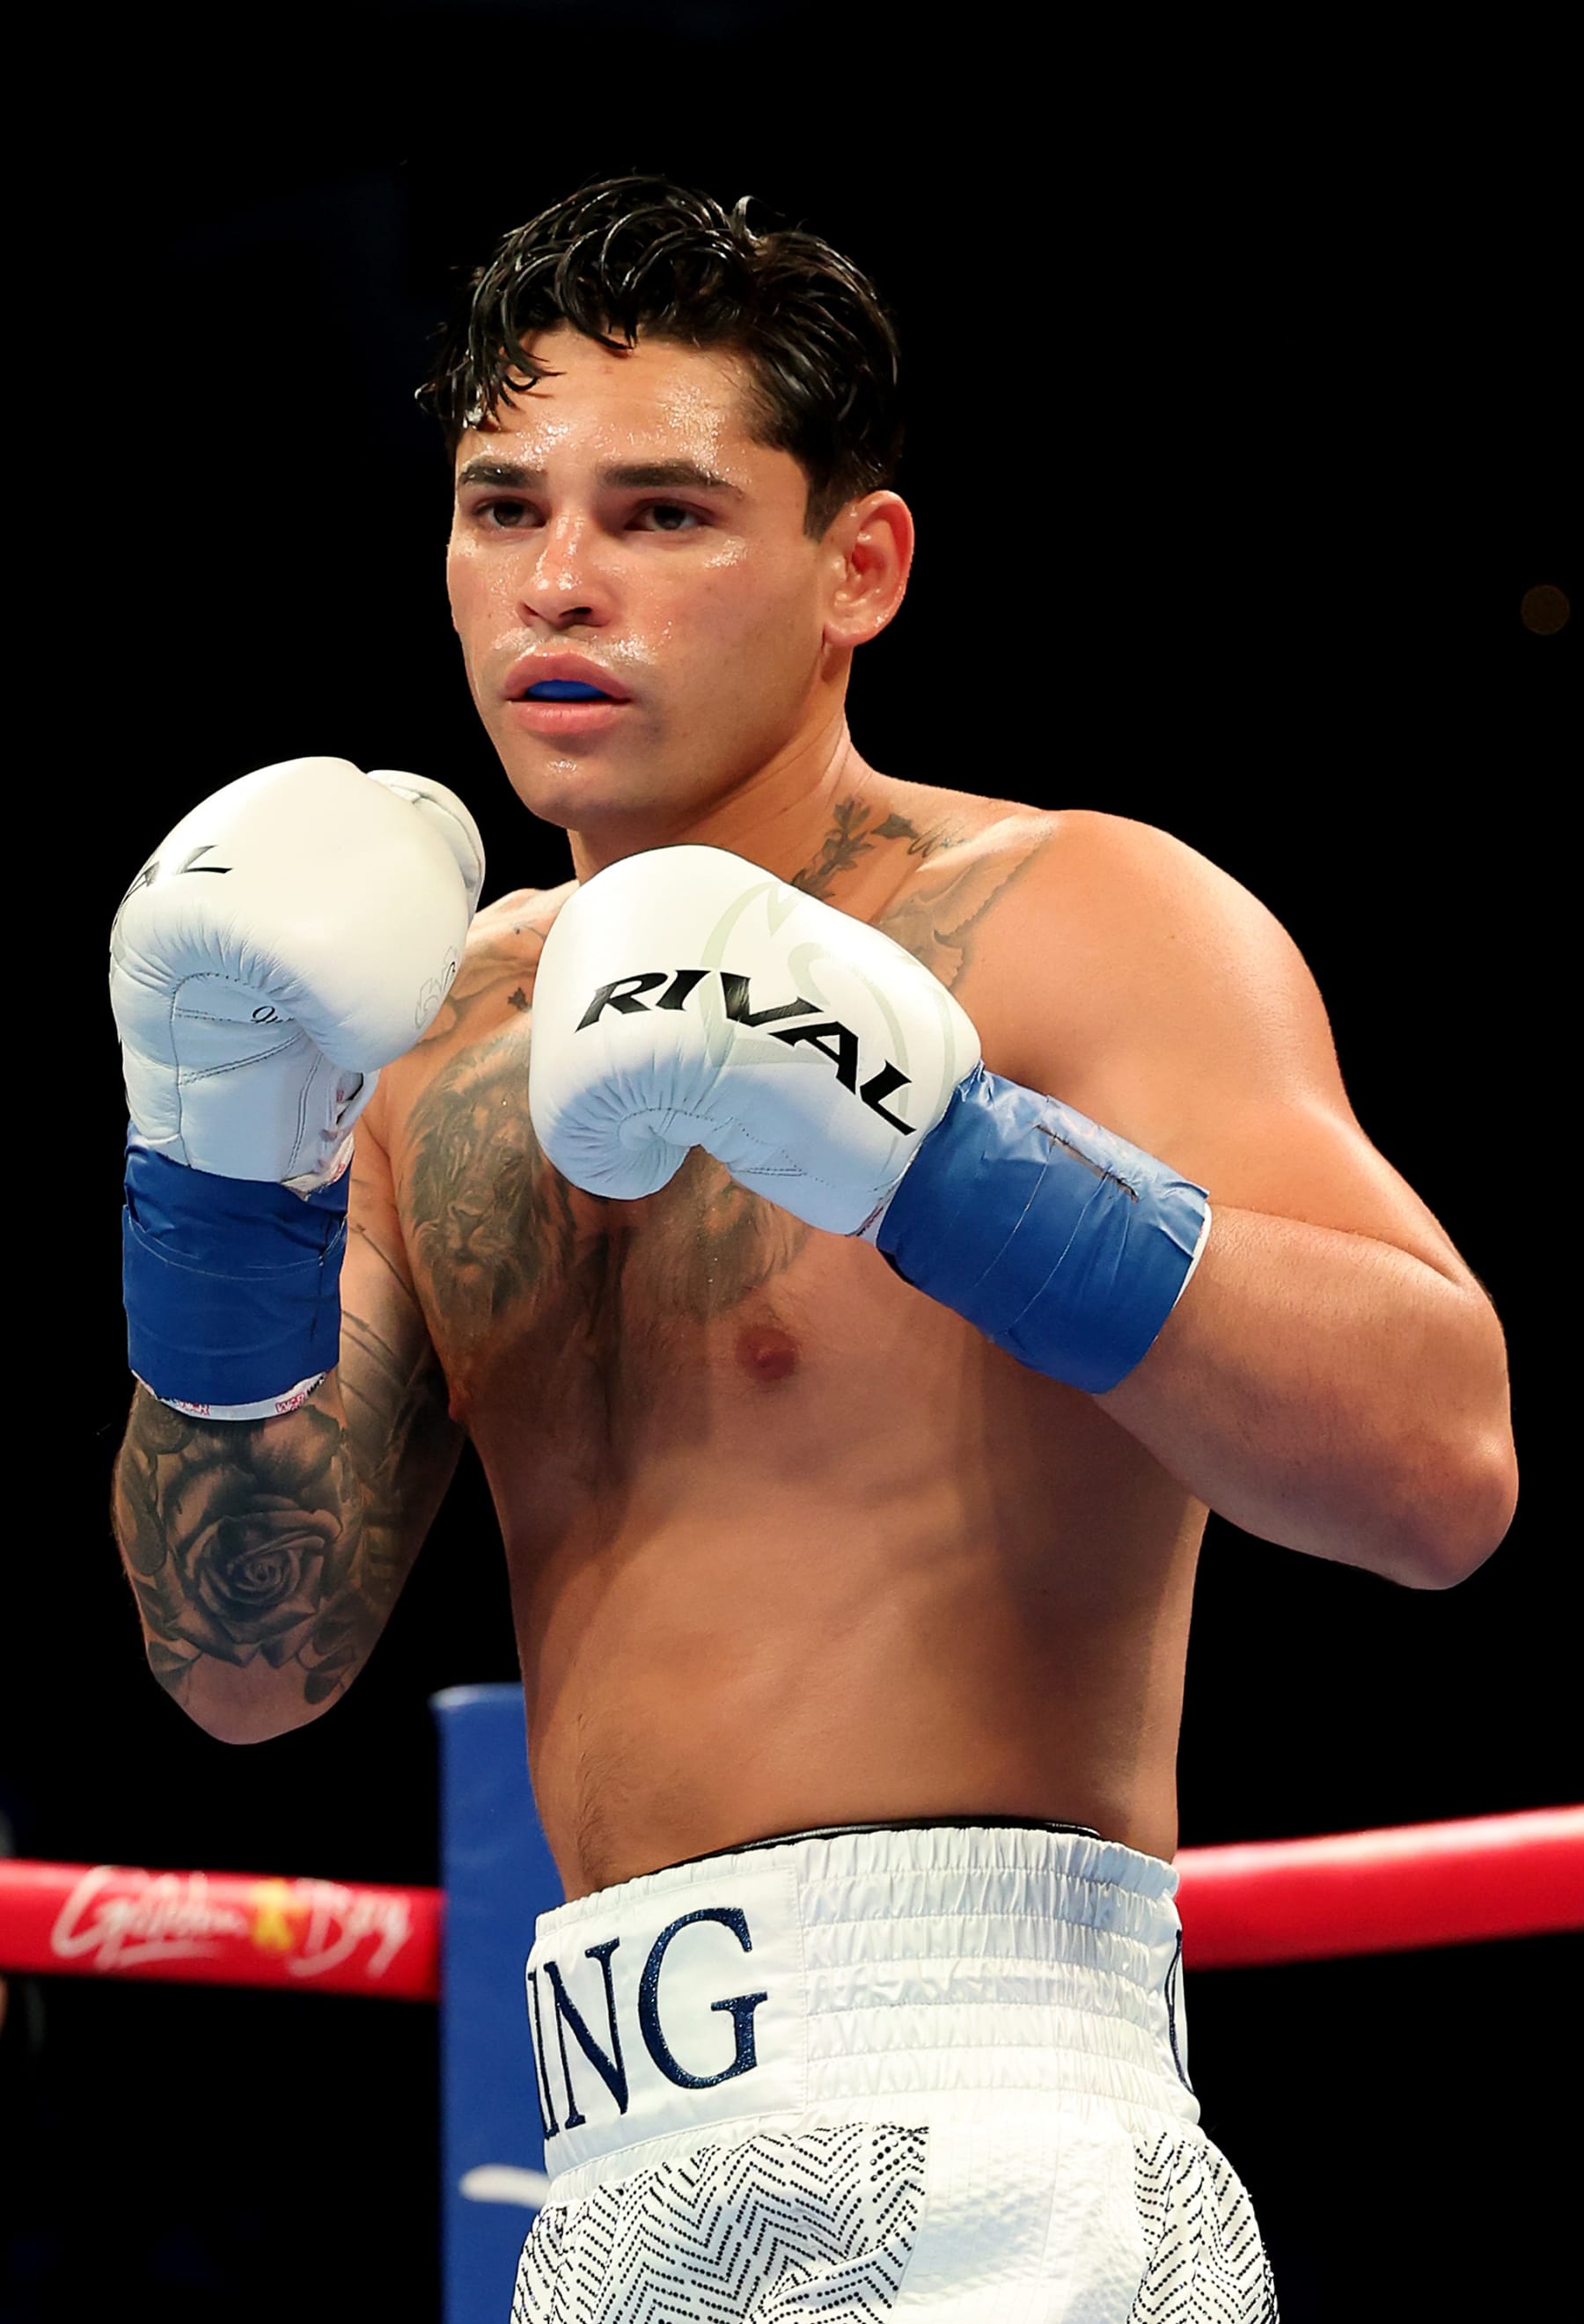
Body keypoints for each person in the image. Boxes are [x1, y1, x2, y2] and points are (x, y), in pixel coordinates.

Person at [107, 174, 1517, 2321]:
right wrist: (217, 1178)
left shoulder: (1071, 917)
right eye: (504, 507)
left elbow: (1438, 1466)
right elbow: (243, 1661)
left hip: (994, 2133)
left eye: (663, 513)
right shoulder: (424, 1060)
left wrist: (936, 1149)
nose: (559, 582)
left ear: (858, 566)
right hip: (607, 2181)